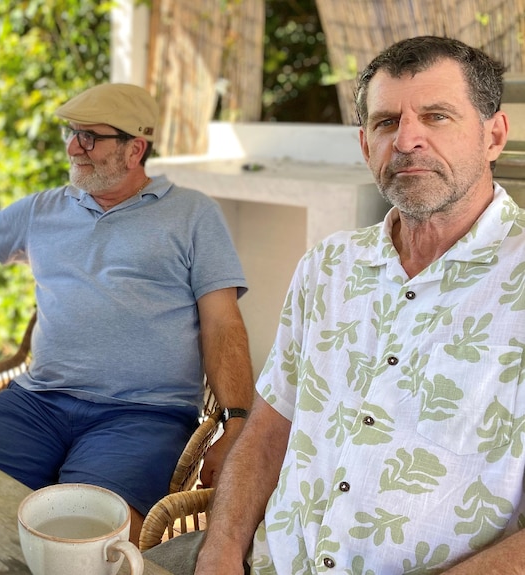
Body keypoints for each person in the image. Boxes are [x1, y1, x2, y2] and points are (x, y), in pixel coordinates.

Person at [188, 35, 525, 574]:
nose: (407, 139)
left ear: (493, 136)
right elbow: (270, 430)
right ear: (366, 146)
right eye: (387, 122)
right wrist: (221, 550)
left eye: (436, 117)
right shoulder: (327, 267)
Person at [0, 82, 253, 543]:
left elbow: (223, 322)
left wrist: (237, 425)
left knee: (90, 544)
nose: (74, 147)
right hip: (36, 402)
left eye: (90, 137)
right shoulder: (42, 209)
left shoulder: (193, 215)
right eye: (72, 133)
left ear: (135, 149)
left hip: (143, 415)